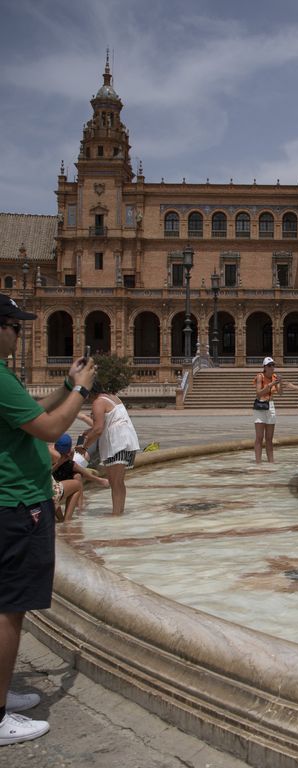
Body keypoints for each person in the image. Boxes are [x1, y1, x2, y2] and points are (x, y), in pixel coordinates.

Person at [0, 293, 97, 745]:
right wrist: (80, 390)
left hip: (15, 502)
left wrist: (65, 383)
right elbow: (49, 429)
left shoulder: (4, 379)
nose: (19, 333)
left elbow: (35, 411)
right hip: (16, 505)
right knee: (8, 610)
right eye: (15, 325)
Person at [81, 380, 140, 515]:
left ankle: (116, 515)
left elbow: (98, 430)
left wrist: (84, 447)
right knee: (119, 482)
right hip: (128, 441)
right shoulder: (113, 397)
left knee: (115, 483)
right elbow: (113, 420)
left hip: (117, 443)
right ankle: (119, 512)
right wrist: (90, 430)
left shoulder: (98, 402)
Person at [252, 356, 281, 463]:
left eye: (273, 365)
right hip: (260, 406)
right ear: (264, 367)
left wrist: (279, 383)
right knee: (259, 437)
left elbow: (280, 393)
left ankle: (271, 462)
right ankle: (258, 463)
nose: (272, 367)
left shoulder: (274, 377)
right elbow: (258, 393)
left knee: (269, 438)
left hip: (270, 406)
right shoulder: (260, 376)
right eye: (269, 365)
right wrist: (270, 385)